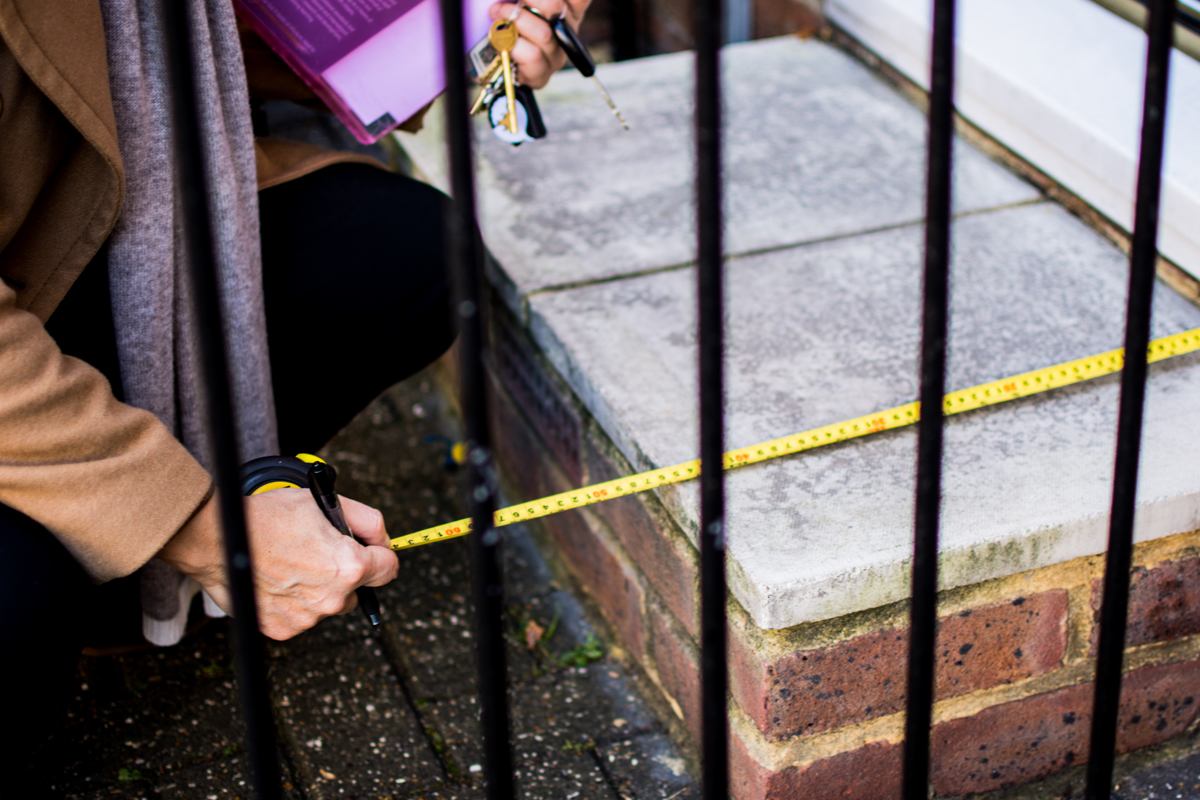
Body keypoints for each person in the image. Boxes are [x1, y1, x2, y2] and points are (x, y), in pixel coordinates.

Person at [0, 0, 589, 779]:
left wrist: (459, 24)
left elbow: (172, 38)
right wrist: (201, 526)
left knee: (397, 253)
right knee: (15, 609)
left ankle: (118, 594)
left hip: (74, 229)